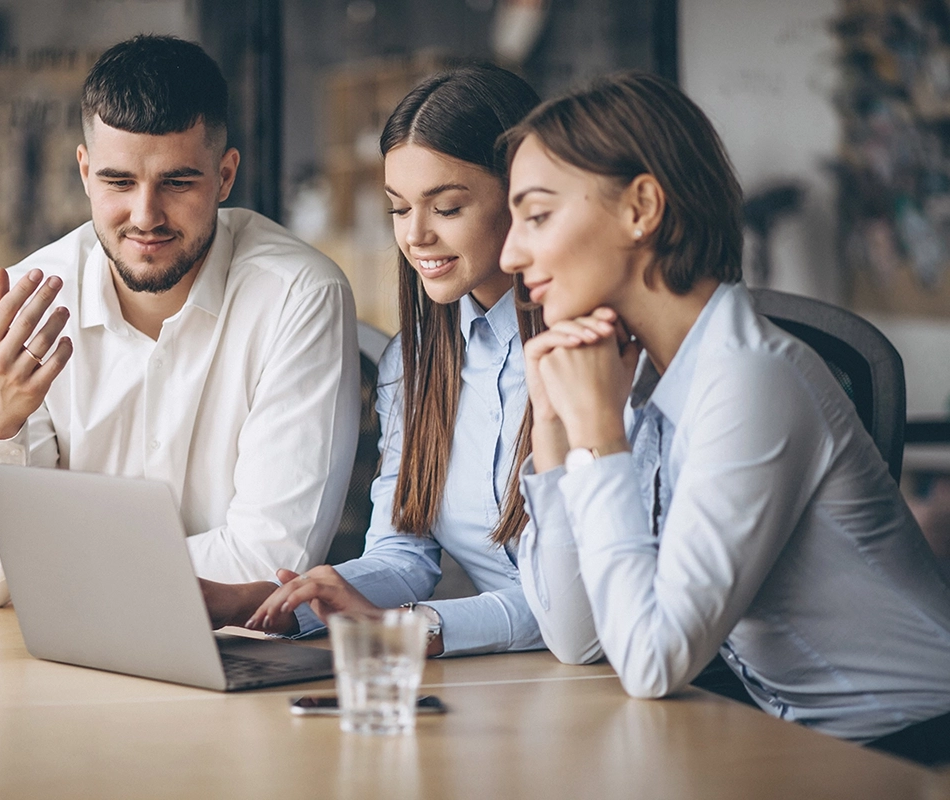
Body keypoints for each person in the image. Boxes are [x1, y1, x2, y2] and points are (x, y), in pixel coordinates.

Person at [502, 71, 950, 764]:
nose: (510, 254)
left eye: (535, 216)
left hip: (910, 752)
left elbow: (652, 663)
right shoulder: (648, 373)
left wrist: (599, 435)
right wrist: (557, 433)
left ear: (641, 207)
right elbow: (578, 637)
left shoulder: (751, 378)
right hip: (797, 746)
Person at [0, 35, 359, 607]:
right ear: (85, 172)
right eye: (118, 182)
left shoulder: (298, 296)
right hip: (53, 665)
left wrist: (51, 568)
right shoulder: (16, 312)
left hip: (236, 666)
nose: (145, 217)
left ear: (226, 175)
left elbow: (269, 563)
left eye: (178, 182)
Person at [210, 64, 592, 659]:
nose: (415, 235)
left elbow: (582, 607)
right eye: (398, 208)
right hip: (521, 683)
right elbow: (403, 555)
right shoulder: (412, 365)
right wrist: (277, 606)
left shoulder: (592, 357)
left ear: (524, 199)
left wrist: (420, 628)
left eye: (445, 207)